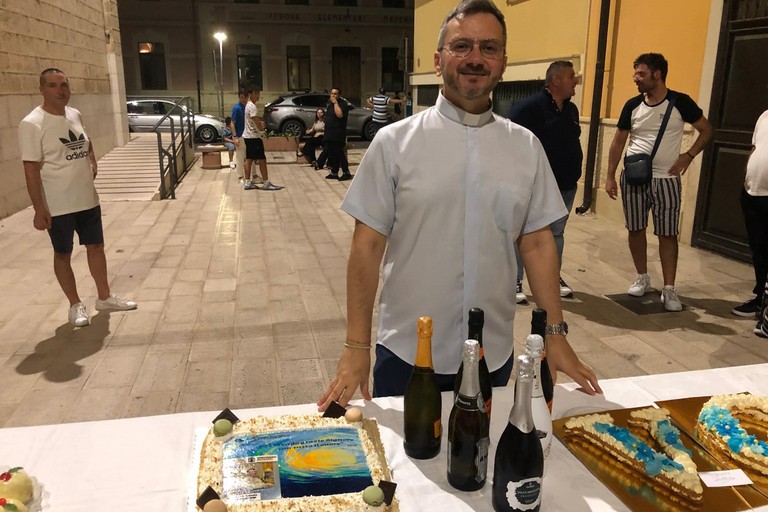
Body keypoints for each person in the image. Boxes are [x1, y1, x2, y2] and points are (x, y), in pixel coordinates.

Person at [317, 0, 601, 411]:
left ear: (503, 62)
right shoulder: (394, 144)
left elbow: (537, 244)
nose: (475, 58)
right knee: (404, 469)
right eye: (461, 46)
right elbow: (366, 248)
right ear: (438, 61)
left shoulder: (525, 148)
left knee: (482, 465)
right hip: (407, 355)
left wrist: (555, 335)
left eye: (489, 48)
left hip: (493, 356)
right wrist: (356, 345)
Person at [18, 68, 137, 327]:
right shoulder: (32, 123)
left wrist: (92, 160)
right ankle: (74, 304)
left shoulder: (74, 114)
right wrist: (39, 208)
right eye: (53, 86)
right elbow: (30, 169)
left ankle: (104, 297)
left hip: (87, 199)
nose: (61, 91)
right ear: (42, 90)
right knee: (63, 253)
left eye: (64, 85)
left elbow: (86, 141)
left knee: (96, 247)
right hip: (58, 204)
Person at [604, 53, 713, 312]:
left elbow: (707, 130)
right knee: (635, 228)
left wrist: (688, 155)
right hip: (634, 178)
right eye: (635, 73)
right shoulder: (632, 105)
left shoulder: (680, 102)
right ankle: (642, 275)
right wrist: (609, 175)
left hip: (667, 179)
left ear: (657, 74)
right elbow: (619, 140)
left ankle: (669, 288)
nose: (635, 78)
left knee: (667, 233)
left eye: (640, 74)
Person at [508, 60, 582, 303]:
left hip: (565, 184)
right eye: (572, 76)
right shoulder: (528, 108)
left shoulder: (571, 110)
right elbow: (512, 144)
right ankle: (515, 281)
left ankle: (552, 277)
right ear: (556, 80)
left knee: (557, 233)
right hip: (534, 185)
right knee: (524, 232)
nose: (576, 81)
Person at [736, 109, 768, 323]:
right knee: (759, 248)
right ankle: (760, 299)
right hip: (753, 192)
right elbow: (755, 148)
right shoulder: (764, 116)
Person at [242, 86, 282, 191]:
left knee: (249, 159)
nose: (258, 95)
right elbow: (256, 121)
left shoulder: (248, 105)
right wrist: (263, 129)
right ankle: (266, 182)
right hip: (254, 137)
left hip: (248, 136)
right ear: (251, 94)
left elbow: (254, 118)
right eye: (256, 93)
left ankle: (247, 182)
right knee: (262, 160)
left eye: (258, 93)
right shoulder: (252, 106)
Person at [323, 88, 353, 182]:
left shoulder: (343, 104)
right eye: (332, 93)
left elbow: (339, 115)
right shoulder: (330, 105)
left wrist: (335, 103)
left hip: (338, 133)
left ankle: (346, 172)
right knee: (333, 153)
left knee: (340, 153)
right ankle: (334, 172)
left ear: (339, 95)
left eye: (335, 94)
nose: (333, 95)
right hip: (329, 133)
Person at [231, 89, 248, 178]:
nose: (244, 100)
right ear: (239, 97)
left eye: (245, 97)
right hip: (240, 135)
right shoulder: (237, 108)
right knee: (240, 157)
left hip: (248, 135)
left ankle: (253, 175)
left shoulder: (247, 107)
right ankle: (240, 176)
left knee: (249, 156)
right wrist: (235, 137)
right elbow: (232, 123)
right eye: (242, 98)